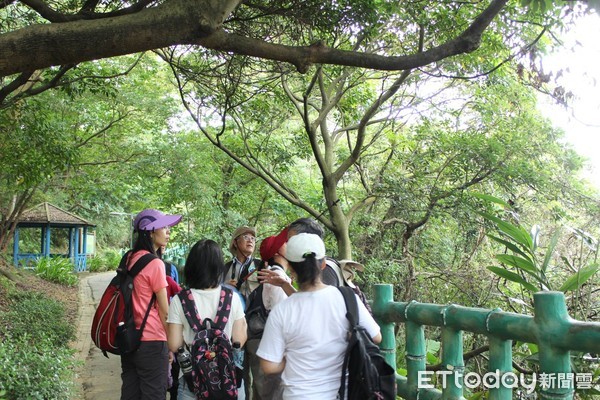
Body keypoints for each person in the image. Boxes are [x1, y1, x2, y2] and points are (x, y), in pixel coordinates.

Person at [256, 233, 381, 399]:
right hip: (342, 393)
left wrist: (293, 356)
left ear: (291, 269)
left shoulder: (283, 310)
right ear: (323, 264)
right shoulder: (346, 298)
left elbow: (269, 366)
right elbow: (376, 336)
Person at [167, 239, 248, 400]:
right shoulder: (232, 297)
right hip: (228, 380)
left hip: (193, 380)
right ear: (218, 267)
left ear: (191, 266)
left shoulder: (180, 300)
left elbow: (174, 344)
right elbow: (239, 338)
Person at [121, 208, 182, 400]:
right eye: (163, 227)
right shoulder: (155, 264)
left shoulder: (129, 258)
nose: (168, 231)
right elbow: (165, 311)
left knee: (130, 394)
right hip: (152, 342)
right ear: (149, 231)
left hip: (129, 339)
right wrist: (172, 346)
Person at [246, 227, 291, 400]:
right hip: (270, 345)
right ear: (278, 251)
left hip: (259, 343)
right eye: (285, 243)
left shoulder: (272, 275)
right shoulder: (277, 277)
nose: (288, 245)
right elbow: (283, 319)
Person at [224, 226, 263, 300]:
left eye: (253, 238)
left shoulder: (260, 266)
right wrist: (224, 287)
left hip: (253, 311)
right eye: (246, 237)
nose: (250, 241)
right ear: (235, 243)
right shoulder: (226, 268)